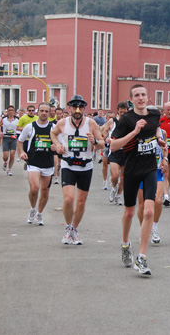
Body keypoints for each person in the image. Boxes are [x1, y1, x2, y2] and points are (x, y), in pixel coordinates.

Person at [111, 86, 166, 275]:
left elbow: (156, 129)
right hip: (132, 170)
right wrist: (135, 132)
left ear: (148, 96)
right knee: (129, 212)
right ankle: (125, 244)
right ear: (131, 99)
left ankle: (142, 257)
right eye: (137, 95)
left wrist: (159, 140)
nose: (141, 98)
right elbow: (114, 146)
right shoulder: (126, 119)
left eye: (143, 94)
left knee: (149, 211)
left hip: (150, 168)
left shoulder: (154, 114)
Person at [50, 95, 103, 245]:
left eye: (80, 107)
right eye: (74, 107)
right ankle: (68, 228)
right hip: (68, 164)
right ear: (70, 108)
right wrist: (58, 144)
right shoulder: (63, 123)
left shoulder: (91, 123)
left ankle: (74, 228)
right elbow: (53, 133)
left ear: (84, 108)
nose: (77, 110)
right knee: (68, 199)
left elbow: (103, 144)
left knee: (80, 202)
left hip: (85, 165)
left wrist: (95, 141)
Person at [17, 103, 55, 226]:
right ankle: (32, 209)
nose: (44, 113)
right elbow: (20, 141)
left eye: (46, 111)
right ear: (38, 112)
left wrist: (56, 147)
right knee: (34, 188)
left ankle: (39, 212)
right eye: (42, 111)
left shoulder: (53, 128)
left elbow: (60, 143)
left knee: (44, 191)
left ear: (49, 113)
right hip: (33, 162)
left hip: (48, 163)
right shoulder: (30, 127)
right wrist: (22, 152)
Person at [137, 128, 168, 245]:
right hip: (140, 171)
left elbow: (165, 149)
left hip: (157, 171)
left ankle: (154, 227)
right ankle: (143, 229)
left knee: (158, 201)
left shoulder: (162, 132)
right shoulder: (139, 130)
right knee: (142, 204)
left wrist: (165, 159)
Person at [105, 104, 128, 205]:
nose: (122, 114)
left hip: (126, 151)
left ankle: (118, 196)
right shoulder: (112, 121)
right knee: (115, 175)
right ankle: (114, 188)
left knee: (123, 177)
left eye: (124, 112)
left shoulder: (130, 122)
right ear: (117, 111)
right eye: (121, 111)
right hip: (115, 151)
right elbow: (104, 131)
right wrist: (107, 138)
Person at [0, 105, 19, 176]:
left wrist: (19, 131)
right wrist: (0, 132)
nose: (11, 112)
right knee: (6, 155)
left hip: (13, 138)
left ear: (14, 111)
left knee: (12, 154)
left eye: (12, 110)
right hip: (6, 137)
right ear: (7, 111)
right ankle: (5, 162)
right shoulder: (4, 119)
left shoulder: (17, 119)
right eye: (9, 110)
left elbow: (19, 126)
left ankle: (9, 169)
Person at [101, 111, 114, 190]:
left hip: (113, 146)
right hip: (106, 146)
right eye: (110, 117)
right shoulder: (103, 127)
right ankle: (105, 180)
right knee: (105, 165)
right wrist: (105, 139)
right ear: (106, 118)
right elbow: (100, 136)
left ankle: (112, 179)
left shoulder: (115, 124)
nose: (111, 119)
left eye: (113, 117)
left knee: (113, 165)